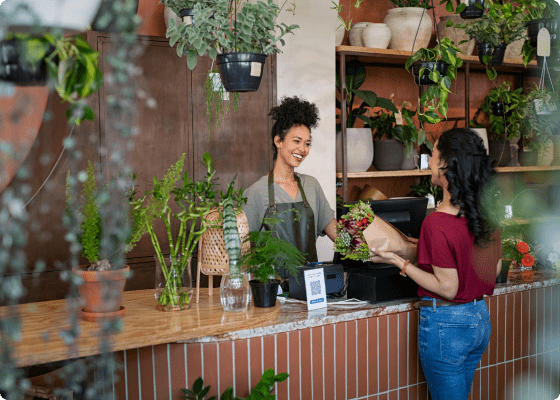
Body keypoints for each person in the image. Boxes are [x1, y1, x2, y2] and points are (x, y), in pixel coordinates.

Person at [370, 128, 502, 400]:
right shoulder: (485, 215)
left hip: (447, 325)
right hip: (479, 320)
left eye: (433, 155)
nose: (429, 161)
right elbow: (495, 270)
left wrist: (398, 261)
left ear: (446, 165)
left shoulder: (436, 222)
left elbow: (448, 287)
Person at [243, 96, 337, 278]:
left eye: (307, 144)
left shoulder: (311, 186)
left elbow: (338, 235)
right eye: (296, 141)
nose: (303, 149)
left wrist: (369, 247)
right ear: (278, 141)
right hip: (272, 290)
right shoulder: (256, 192)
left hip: (311, 286)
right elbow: (243, 250)